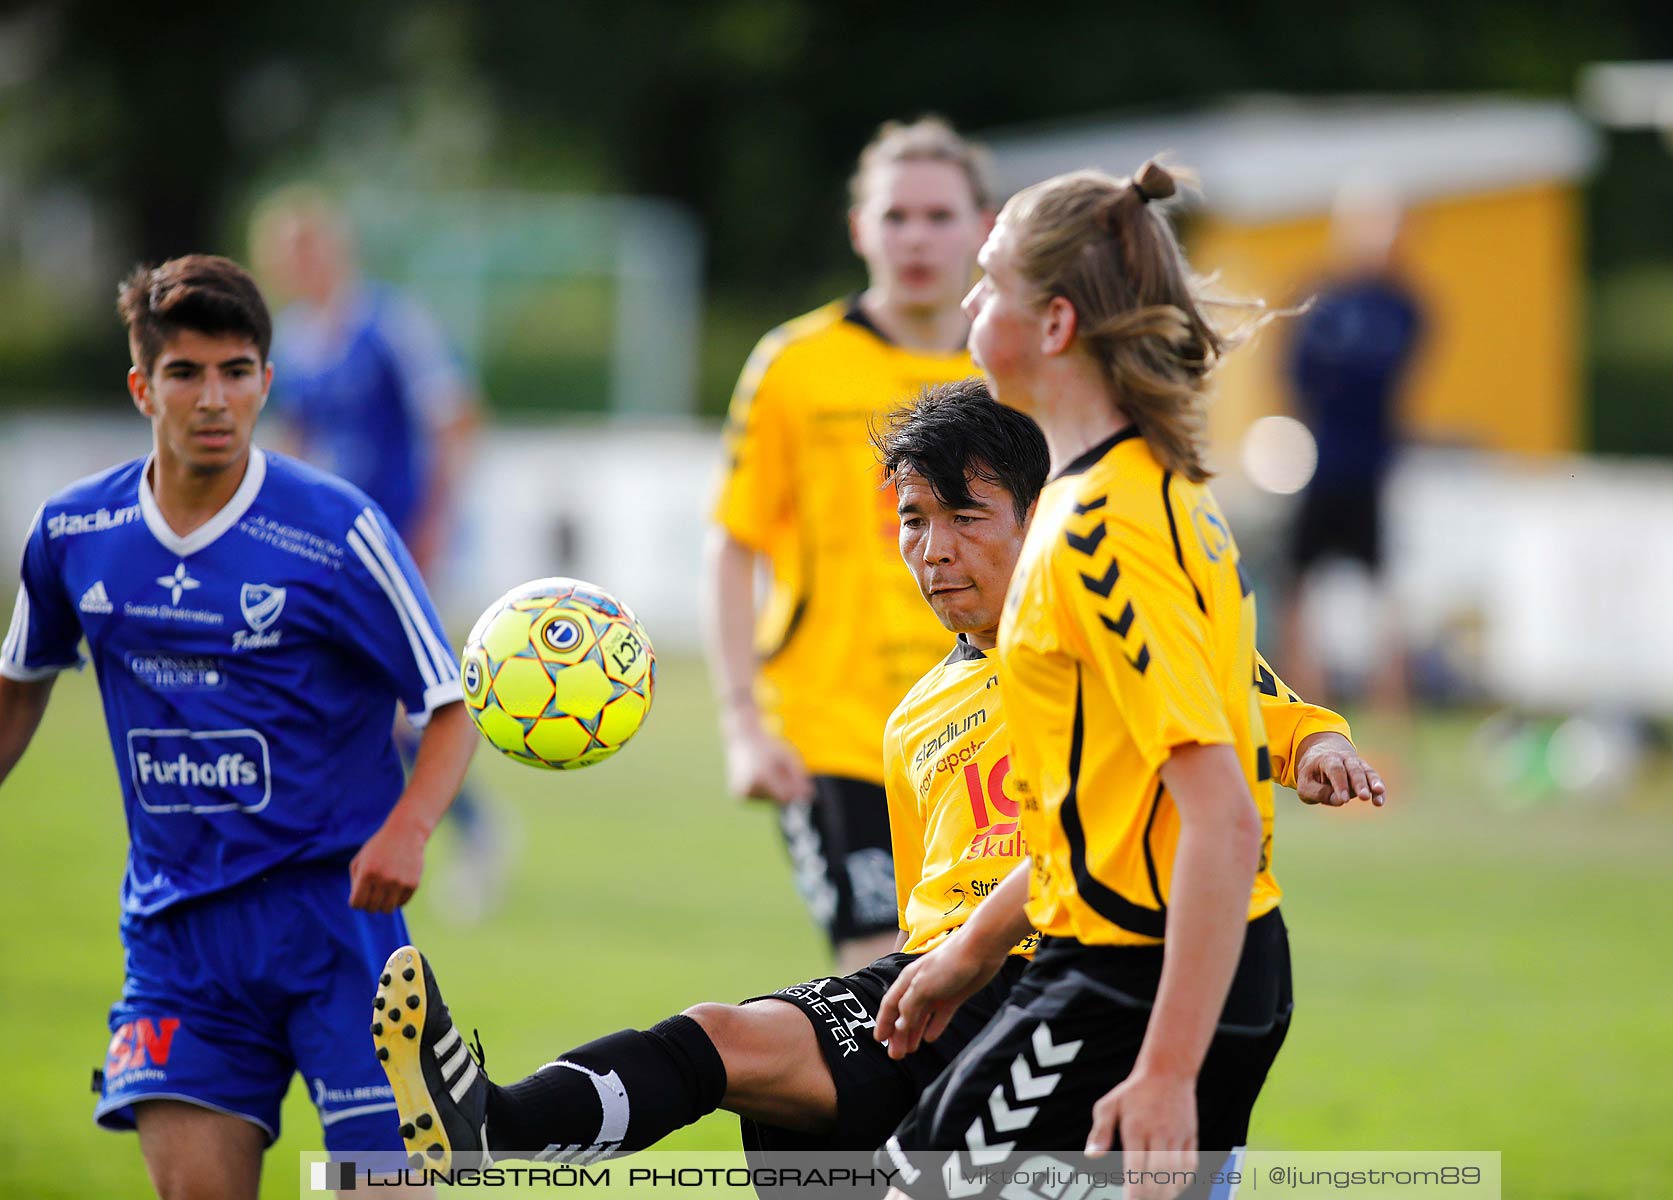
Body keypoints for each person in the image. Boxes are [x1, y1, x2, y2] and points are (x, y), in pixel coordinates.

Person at [367, 380, 1382, 1172]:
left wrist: (1322, 747)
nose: (933, 551)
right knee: (729, 1043)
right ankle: (493, 1123)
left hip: (1072, 977)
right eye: (911, 521)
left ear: (1037, 516)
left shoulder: (1107, 632)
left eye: (965, 517)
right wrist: (920, 976)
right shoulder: (916, 718)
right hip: (939, 985)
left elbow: (1251, 711)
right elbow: (928, 904)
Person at [871, 161, 1326, 1200]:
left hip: (1134, 978)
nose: (969, 303)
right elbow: (1105, 808)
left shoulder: (1104, 532)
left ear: (1058, 324)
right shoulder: (1116, 494)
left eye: (989, 284)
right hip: (1119, 962)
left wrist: (1165, 1070)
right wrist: (973, 952)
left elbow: (1220, 817)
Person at [0, 254, 476, 1198]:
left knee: (392, 1188)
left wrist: (408, 831)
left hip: (339, 928)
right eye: (185, 372)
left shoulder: (337, 531)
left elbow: (449, 703)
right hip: (176, 941)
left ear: (266, 378)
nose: (212, 398)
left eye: (236, 371)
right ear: (143, 386)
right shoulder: (72, 534)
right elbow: (19, 686)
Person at [705, 118, 998, 972]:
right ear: (858, 228)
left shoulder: (1016, 369)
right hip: (834, 732)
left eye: (939, 216)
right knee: (884, 969)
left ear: (983, 227)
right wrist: (743, 725)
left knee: (989, 969)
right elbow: (733, 544)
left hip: (988, 720)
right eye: (895, 215)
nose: (915, 237)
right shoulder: (795, 364)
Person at [251, 188, 508, 921]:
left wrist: (434, 523)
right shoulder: (296, 341)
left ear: (336, 248)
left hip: (402, 541)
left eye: (308, 246)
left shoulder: (391, 324)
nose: (298, 263)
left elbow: (456, 417)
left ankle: (471, 832)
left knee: (406, 697)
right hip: (328, 552)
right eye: (285, 251)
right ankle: (404, 837)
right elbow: (295, 441)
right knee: (352, 699)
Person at [1278, 176, 1423, 707]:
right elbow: (1298, 374)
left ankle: (1390, 709)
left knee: (1383, 592)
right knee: (1299, 587)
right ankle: (1302, 702)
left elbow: (1373, 373)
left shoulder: (1401, 306)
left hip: (1369, 467)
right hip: (1321, 463)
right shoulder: (1322, 299)